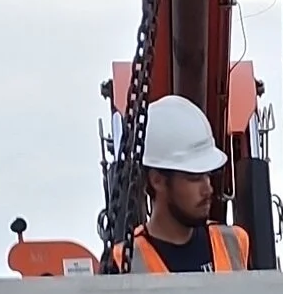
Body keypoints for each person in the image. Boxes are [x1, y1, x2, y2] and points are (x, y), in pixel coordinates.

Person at [105, 95, 250, 274]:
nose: (208, 189)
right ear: (157, 179)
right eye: (194, 177)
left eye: (207, 174)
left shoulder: (234, 243)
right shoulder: (126, 262)